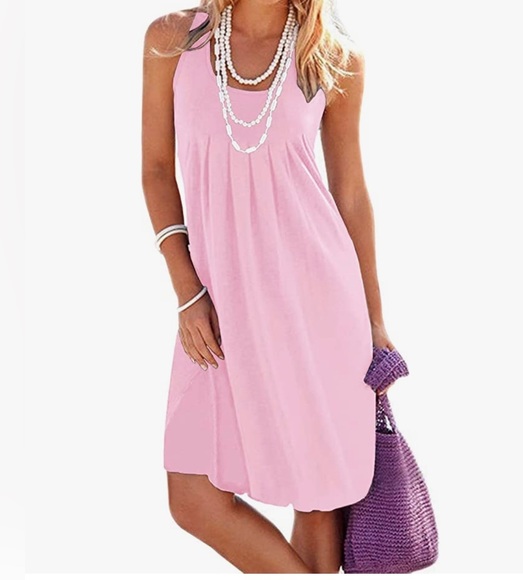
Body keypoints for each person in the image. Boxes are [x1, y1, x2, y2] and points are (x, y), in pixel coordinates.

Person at [141, 0, 396, 573]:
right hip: (216, 310)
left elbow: (351, 193)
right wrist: (187, 292)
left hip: (319, 307)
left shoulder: (333, 55)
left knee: (319, 500)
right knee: (192, 496)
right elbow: (156, 170)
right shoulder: (173, 40)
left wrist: (375, 322)